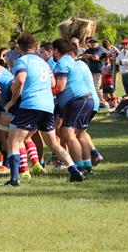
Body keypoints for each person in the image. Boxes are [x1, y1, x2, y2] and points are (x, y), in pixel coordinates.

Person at [3, 34, 84, 187]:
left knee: (13, 141)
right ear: (34, 47)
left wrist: (13, 100)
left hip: (30, 105)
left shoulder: (22, 61)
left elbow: (20, 80)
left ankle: (14, 179)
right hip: (47, 106)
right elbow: (53, 82)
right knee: (53, 143)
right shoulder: (44, 63)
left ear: (20, 48)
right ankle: (75, 171)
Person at [53, 38, 94, 173]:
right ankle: (87, 166)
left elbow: (60, 87)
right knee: (80, 134)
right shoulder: (72, 61)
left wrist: (46, 91)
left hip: (77, 101)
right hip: (87, 99)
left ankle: (79, 167)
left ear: (56, 50)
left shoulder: (61, 63)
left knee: (68, 134)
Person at [81, 37, 107, 108]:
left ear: (98, 43)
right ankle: (97, 103)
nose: (92, 44)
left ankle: (103, 103)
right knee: (91, 88)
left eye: (94, 42)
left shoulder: (100, 49)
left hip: (98, 72)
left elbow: (96, 57)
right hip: (91, 72)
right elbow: (83, 56)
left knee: (97, 88)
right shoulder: (89, 49)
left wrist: (89, 56)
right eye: (91, 42)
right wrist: (90, 56)